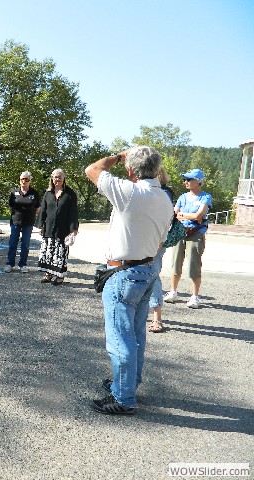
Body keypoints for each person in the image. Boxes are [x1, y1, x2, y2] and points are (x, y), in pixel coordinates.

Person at [85, 146, 172, 415]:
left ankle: (124, 398)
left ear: (132, 170)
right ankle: (129, 384)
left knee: (120, 338)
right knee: (136, 335)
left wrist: (119, 156)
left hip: (124, 273)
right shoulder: (165, 198)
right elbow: (160, 241)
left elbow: (92, 170)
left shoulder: (131, 192)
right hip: (146, 270)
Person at [163, 168, 213, 309]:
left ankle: (195, 296)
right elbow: (175, 214)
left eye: (189, 179)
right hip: (180, 232)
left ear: (198, 181)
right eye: (184, 179)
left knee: (194, 265)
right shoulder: (182, 197)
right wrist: (190, 216)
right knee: (175, 263)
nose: (186, 182)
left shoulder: (206, 197)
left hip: (196, 234)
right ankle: (173, 291)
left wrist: (185, 215)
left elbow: (199, 215)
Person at [37, 168, 79, 285]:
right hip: (49, 228)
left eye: (60, 177)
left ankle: (60, 277)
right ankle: (48, 275)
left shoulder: (70, 194)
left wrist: (74, 229)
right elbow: (43, 211)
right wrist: (41, 225)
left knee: (60, 253)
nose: (57, 179)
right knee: (48, 252)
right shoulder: (48, 193)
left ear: (64, 178)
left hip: (63, 229)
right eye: (55, 177)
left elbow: (73, 213)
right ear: (52, 178)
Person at [148, 167, 175, 333]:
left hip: (157, 240)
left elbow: (165, 221)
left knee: (153, 274)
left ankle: (157, 317)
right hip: (142, 239)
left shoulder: (164, 193)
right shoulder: (146, 191)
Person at [5, 171, 40, 273]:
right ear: (19, 181)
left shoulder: (34, 193)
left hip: (28, 222)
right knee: (12, 243)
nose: (24, 181)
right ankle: (10, 263)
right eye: (22, 179)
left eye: (26, 179)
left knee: (25, 244)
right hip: (16, 221)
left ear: (30, 181)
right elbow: (11, 206)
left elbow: (37, 207)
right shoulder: (14, 193)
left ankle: (23, 264)